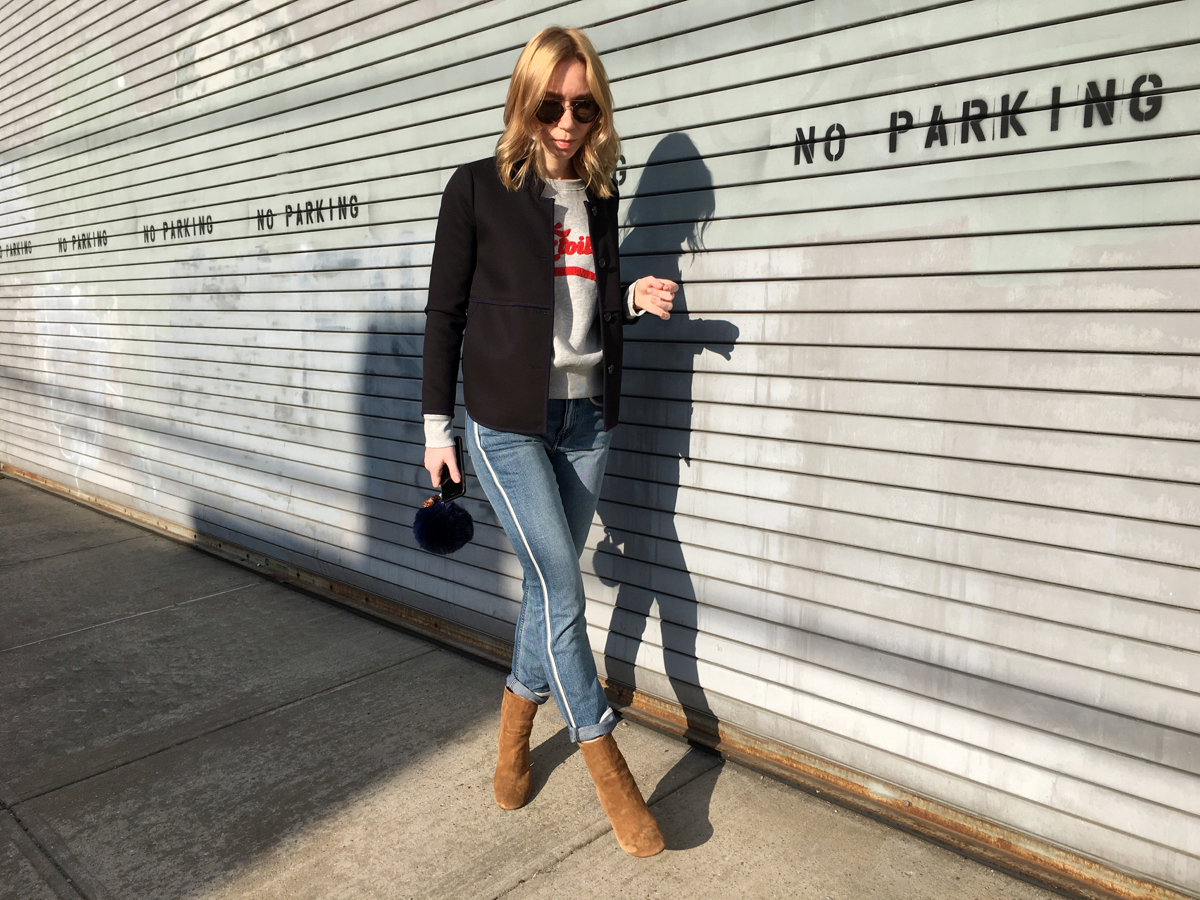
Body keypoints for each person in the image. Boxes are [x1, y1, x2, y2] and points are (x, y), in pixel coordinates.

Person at [420, 26, 677, 858]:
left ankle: (511, 740)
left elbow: (583, 308)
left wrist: (628, 295)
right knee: (564, 591)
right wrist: (436, 427)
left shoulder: (598, 196)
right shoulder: (476, 190)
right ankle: (613, 775)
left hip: (586, 418)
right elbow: (444, 315)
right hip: (506, 425)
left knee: (544, 590)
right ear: (523, 100)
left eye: (584, 106)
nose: (567, 122)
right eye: (551, 104)